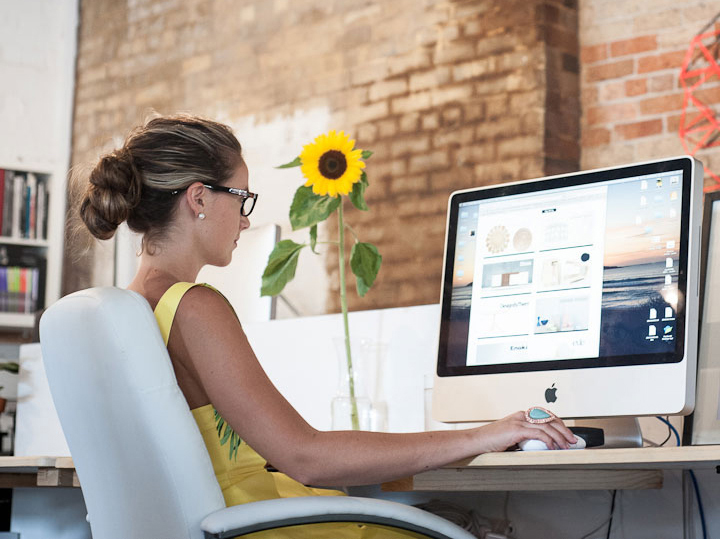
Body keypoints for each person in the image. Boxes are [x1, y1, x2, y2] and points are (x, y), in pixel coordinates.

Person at [78, 114, 577, 537]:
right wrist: (482, 436)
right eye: (242, 198)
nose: (246, 219)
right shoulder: (194, 306)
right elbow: (307, 456)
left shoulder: (128, 309)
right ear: (199, 198)